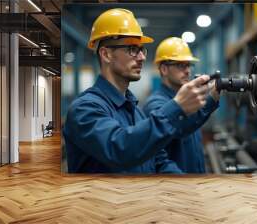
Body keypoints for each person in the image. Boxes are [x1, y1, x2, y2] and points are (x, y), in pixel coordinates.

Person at [63, 9, 211, 173]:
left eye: (142, 50)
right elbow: (120, 148)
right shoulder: (84, 109)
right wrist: (176, 107)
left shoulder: (136, 112)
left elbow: (159, 160)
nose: (141, 57)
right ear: (106, 54)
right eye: (132, 49)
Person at [143, 37, 220, 173]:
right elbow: (180, 128)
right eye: (181, 65)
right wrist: (211, 100)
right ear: (164, 69)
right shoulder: (155, 105)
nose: (187, 71)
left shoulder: (189, 101)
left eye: (189, 65)